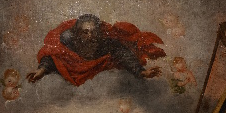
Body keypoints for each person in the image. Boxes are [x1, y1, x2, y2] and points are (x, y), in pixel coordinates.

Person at [26, 14, 165, 86]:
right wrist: (41, 70)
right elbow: (53, 57)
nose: (90, 36)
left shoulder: (105, 44)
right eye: (85, 32)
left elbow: (124, 54)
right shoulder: (68, 43)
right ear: (77, 34)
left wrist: (142, 72)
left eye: (93, 32)